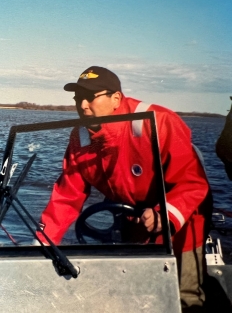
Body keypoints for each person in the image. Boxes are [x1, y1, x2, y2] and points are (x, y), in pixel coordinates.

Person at [37, 66, 211, 312]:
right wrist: (41, 242)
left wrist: (166, 215)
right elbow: (67, 195)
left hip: (180, 219)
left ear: (116, 98)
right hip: (132, 221)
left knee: (183, 297)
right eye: (78, 98)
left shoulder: (158, 121)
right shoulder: (81, 137)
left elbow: (192, 182)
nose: (83, 105)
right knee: (133, 294)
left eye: (91, 97)